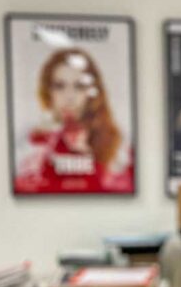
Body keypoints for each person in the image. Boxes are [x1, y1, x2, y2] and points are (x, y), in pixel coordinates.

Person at [14, 48, 133, 194]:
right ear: (48, 91)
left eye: (79, 86)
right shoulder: (29, 140)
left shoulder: (116, 141)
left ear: (92, 92)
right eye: (59, 86)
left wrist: (88, 154)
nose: (69, 97)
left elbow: (119, 186)